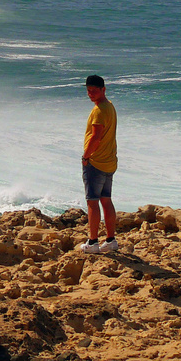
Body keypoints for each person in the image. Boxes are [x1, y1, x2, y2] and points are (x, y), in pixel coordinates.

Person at [78, 74, 119, 254]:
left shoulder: (99, 111)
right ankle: (110, 240)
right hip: (109, 161)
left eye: (94, 91)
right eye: (88, 91)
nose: (91, 94)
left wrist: (85, 156)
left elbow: (96, 137)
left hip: (96, 162)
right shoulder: (110, 106)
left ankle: (93, 242)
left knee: (93, 203)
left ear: (103, 89)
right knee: (106, 200)